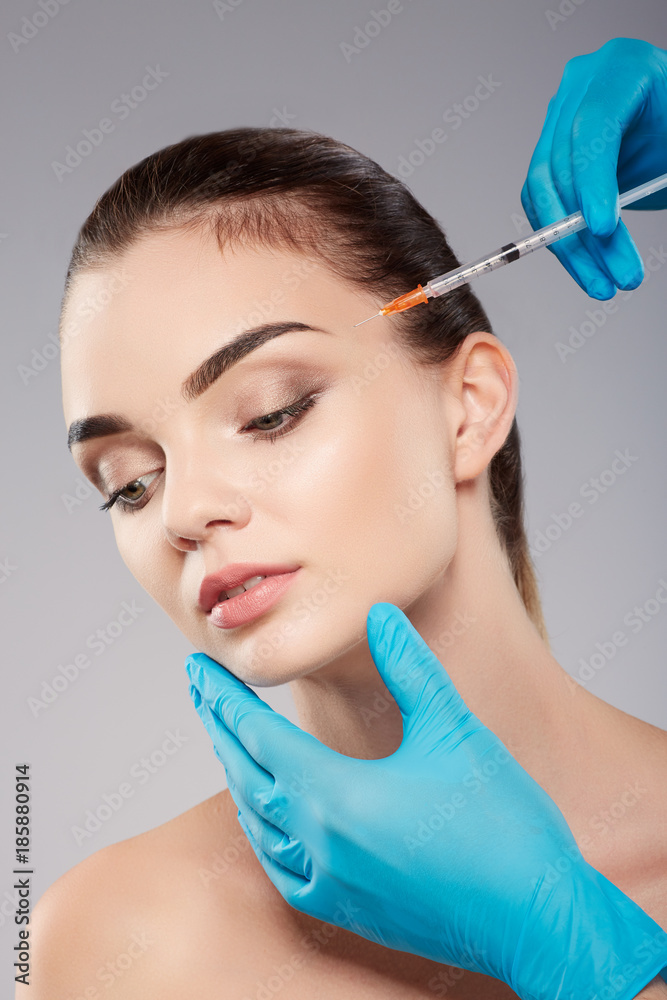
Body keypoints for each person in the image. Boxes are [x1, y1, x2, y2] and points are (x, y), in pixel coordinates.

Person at [23, 43, 667, 1000]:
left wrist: (576, 956)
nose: (189, 512)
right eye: (129, 483)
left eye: (272, 411)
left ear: (469, 406)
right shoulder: (112, 945)